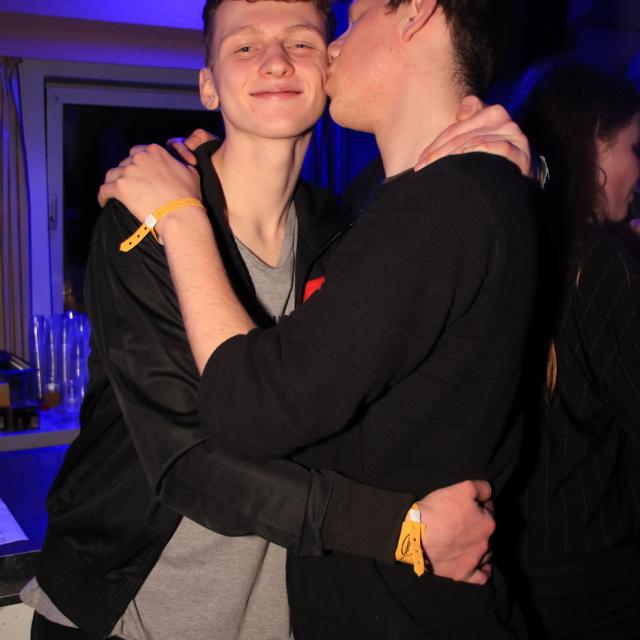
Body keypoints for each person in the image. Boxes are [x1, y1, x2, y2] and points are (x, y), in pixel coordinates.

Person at [24, 1, 534, 639]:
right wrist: (399, 529)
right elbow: (189, 458)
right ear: (208, 85)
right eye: (243, 47)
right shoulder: (145, 216)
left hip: (273, 619)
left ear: (330, 67)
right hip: (125, 613)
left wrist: (521, 159)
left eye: (301, 42)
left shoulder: (347, 225)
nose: (274, 62)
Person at [499, 57, 640, 639]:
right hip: (594, 581)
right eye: (634, 148)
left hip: (514, 563)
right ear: (594, 147)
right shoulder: (600, 264)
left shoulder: (509, 241)